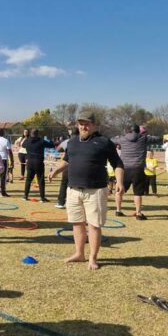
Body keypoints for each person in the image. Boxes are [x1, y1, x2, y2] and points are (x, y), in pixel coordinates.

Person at [48, 112, 124, 270]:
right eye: (81, 123)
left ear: (94, 125)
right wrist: (55, 171)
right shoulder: (73, 142)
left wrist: (120, 182)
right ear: (77, 125)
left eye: (87, 123)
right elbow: (66, 160)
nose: (84, 126)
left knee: (94, 225)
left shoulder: (104, 142)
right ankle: (79, 253)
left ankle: (92, 258)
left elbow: (117, 163)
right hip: (73, 189)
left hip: (95, 191)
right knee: (77, 223)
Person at [113, 125, 158, 220]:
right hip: (138, 168)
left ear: (128, 131)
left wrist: (119, 138)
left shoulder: (122, 138)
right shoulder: (143, 138)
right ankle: (138, 213)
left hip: (124, 168)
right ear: (139, 131)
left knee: (119, 191)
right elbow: (157, 138)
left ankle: (118, 210)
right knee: (137, 193)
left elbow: (111, 140)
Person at [22, 129, 55, 202]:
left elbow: (23, 145)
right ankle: (42, 198)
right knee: (40, 180)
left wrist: (27, 138)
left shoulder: (27, 140)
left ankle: (25, 196)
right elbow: (52, 145)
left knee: (28, 179)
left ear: (30, 134)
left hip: (30, 162)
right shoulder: (41, 141)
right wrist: (49, 139)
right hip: (38, 162)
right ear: (37, 134)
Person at [54, 128, 79, 209]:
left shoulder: (67, 141)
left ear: (71, 134)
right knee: (77, 186)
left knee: (64, 184)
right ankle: (76, 204)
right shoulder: (84, 142)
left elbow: (57, 149)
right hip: (80, 167)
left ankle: (61, 202)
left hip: (68, 166)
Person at [0, 128, 14, 197]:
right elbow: (9, 151)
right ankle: (3, 192)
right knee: (3, 176)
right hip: (3, 159)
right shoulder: (5, 140)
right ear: (3, 133)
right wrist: (12, 161)